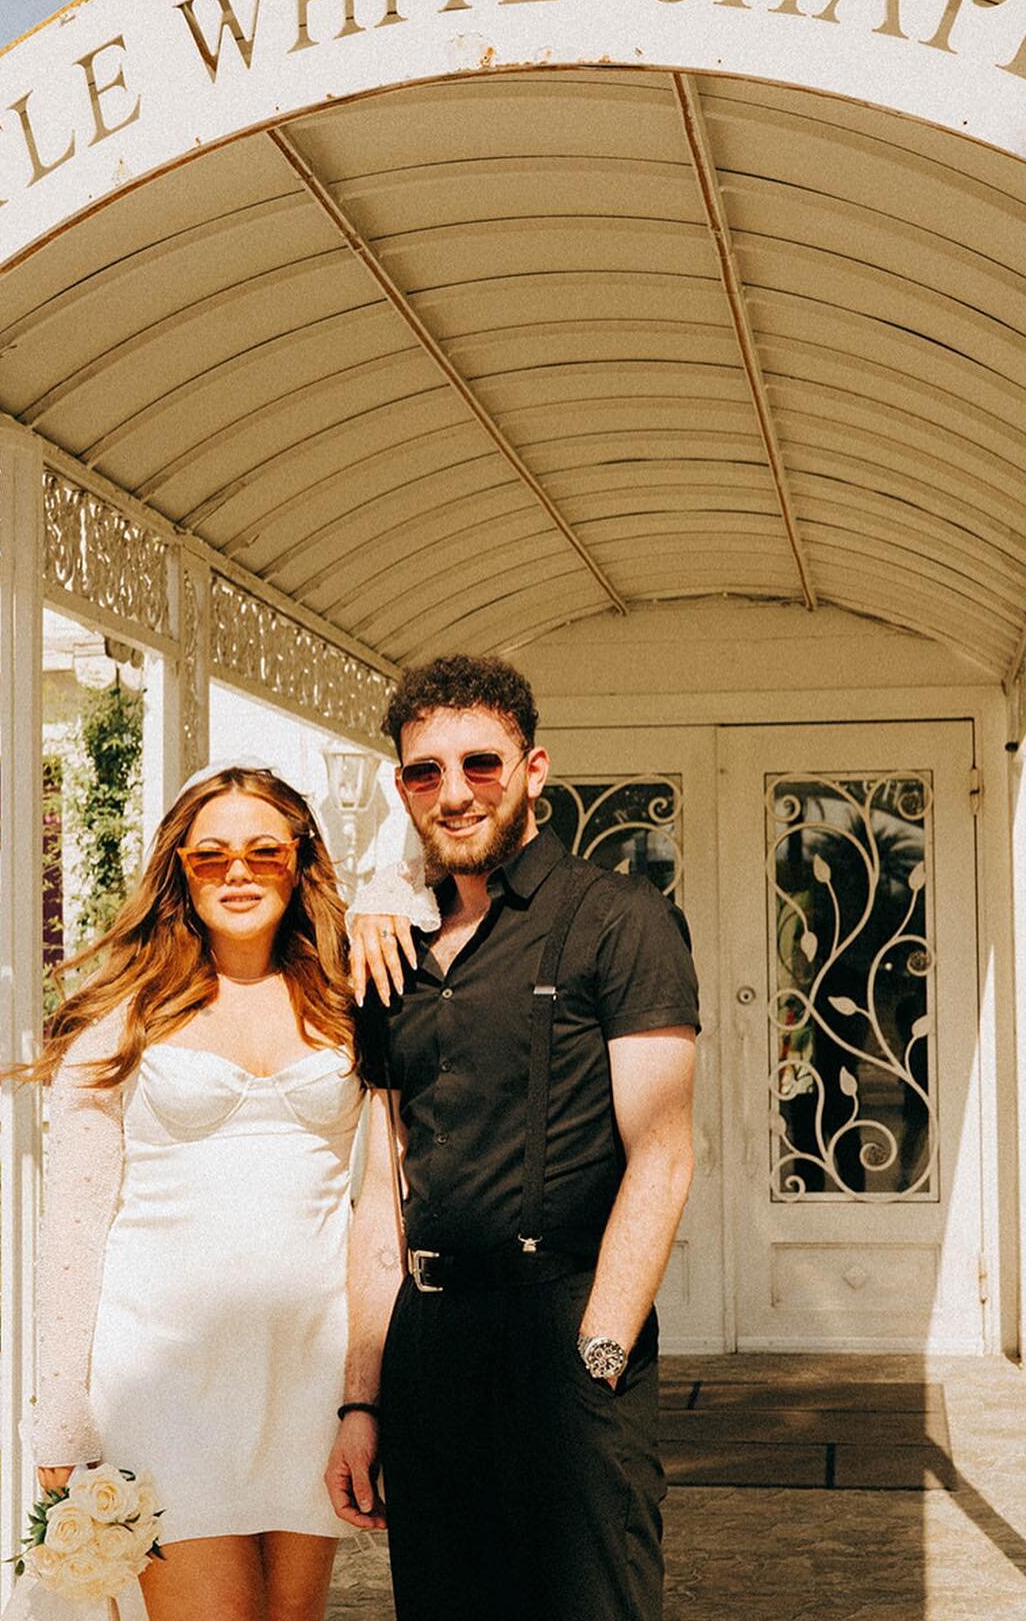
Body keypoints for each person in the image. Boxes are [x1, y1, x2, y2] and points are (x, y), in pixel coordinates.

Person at [326, 654, 701, 1621]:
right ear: (401, 785)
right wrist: (363, 1398)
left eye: (480, 764)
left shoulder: (619, 920)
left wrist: (601, 1360)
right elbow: (386, 1186)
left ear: (534, 770)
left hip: (565, 1333)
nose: (454, 794)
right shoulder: (387, 952)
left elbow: (663, 1154)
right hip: (431, 1346)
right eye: (424, 772)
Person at [20, 765, 397, 1621]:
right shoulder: (123, 1015)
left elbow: (381, 1201)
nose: (238, 872)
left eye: (265, 853)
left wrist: (362, 1392)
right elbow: (74, 1227)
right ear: (180, 869)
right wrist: (59, 1418)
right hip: (163, 1383)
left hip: (307, 1381)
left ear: (300, 862)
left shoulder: (348, 1000)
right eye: (212, 855)